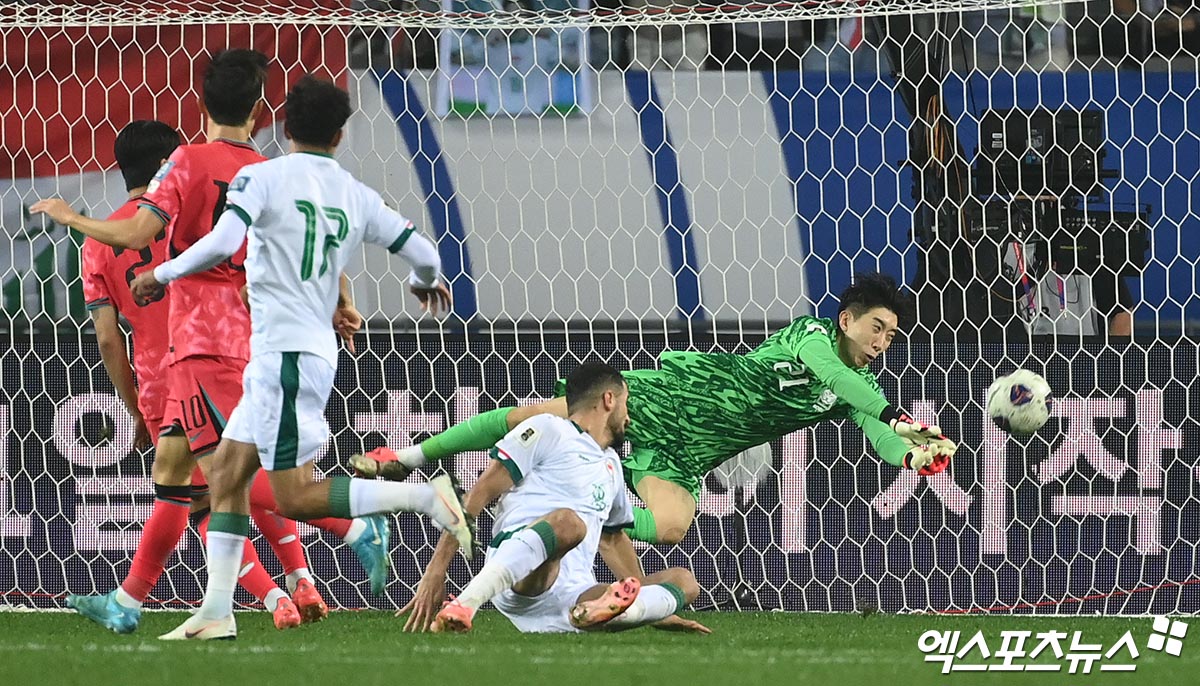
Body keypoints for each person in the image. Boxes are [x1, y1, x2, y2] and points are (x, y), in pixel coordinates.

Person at [33, 52, 387, 633]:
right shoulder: (272, 172)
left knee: (223, 480)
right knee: (180, 477)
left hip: (199, 342)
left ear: (201, 105)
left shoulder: (186, 164)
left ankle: (349, 525)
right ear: (258, 110)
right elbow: (307, 247)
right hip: (252, 333)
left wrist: (72, 217)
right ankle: (135, 603)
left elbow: (135, 237)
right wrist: (342, 303)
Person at [143, 75, 473, 640]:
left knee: (293, 494)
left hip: (288, 357)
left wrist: (161, 273)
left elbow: (225, 243)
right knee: (225, 473)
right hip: (290, 355)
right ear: (341, 135)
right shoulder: (356, 194)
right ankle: (218, 612)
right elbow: (424, 252)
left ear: (284, 126)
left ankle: (423, 497)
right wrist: (424, 282)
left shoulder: (260, 177)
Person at [355, 273, 958, 546]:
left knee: (672, 527)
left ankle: (568, 516)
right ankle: (406, 456)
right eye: (877, 327)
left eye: (891, 334)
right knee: (533, 416)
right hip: (676, 396)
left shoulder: (862, 384)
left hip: (693, 450)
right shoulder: (812, 338)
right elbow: (840, 382)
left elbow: (871, 420)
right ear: (847, 319)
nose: (883, 341)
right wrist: (898, 415)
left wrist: (907, 452)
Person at [405, 362, 707, 635]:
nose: (628, 417)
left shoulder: (611, 464)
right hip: (523, 578)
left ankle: (594, 614)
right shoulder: (549, 429)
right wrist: (436, 569)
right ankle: (465, 604)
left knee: (684, 582)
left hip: (573, 593)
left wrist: (646, 608)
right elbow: (478, 494)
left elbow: (613, 540)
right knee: (569, 523)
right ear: (608, 400)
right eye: (626, 404)